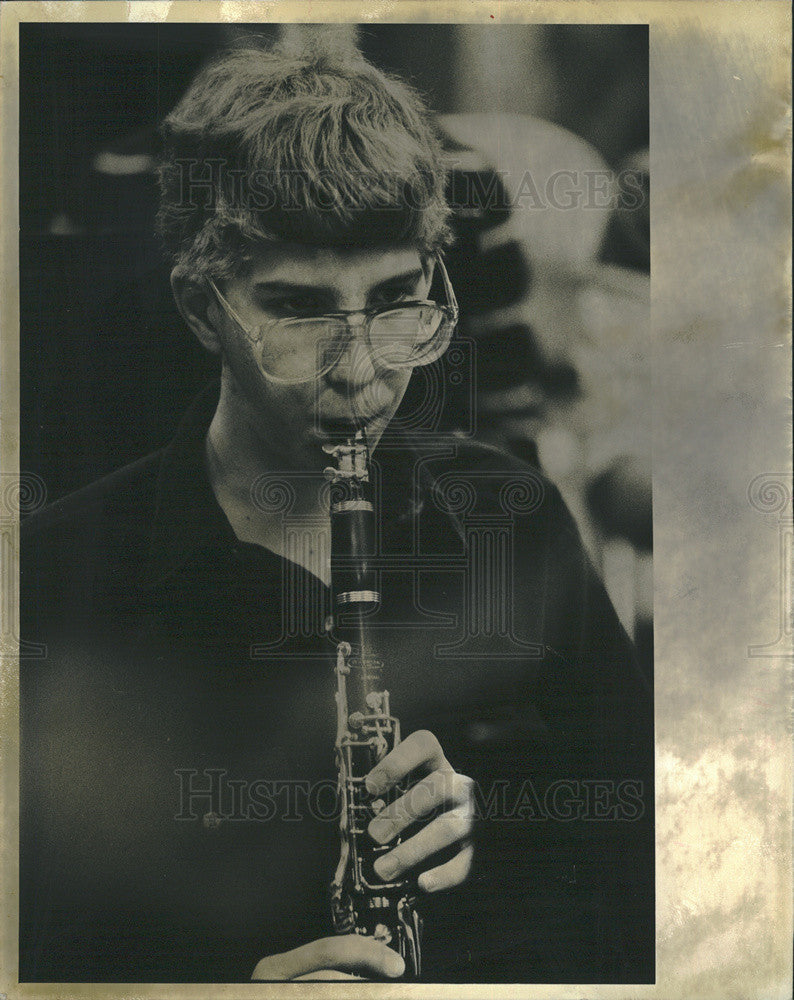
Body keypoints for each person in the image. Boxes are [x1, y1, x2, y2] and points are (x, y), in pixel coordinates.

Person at [20, 41, 653, 984]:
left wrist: (500, 845)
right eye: (300, 311)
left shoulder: (513, 516)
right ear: (202, 310)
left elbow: (658, 880)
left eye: (397, 301)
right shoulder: (56, 572)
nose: (359, 373)